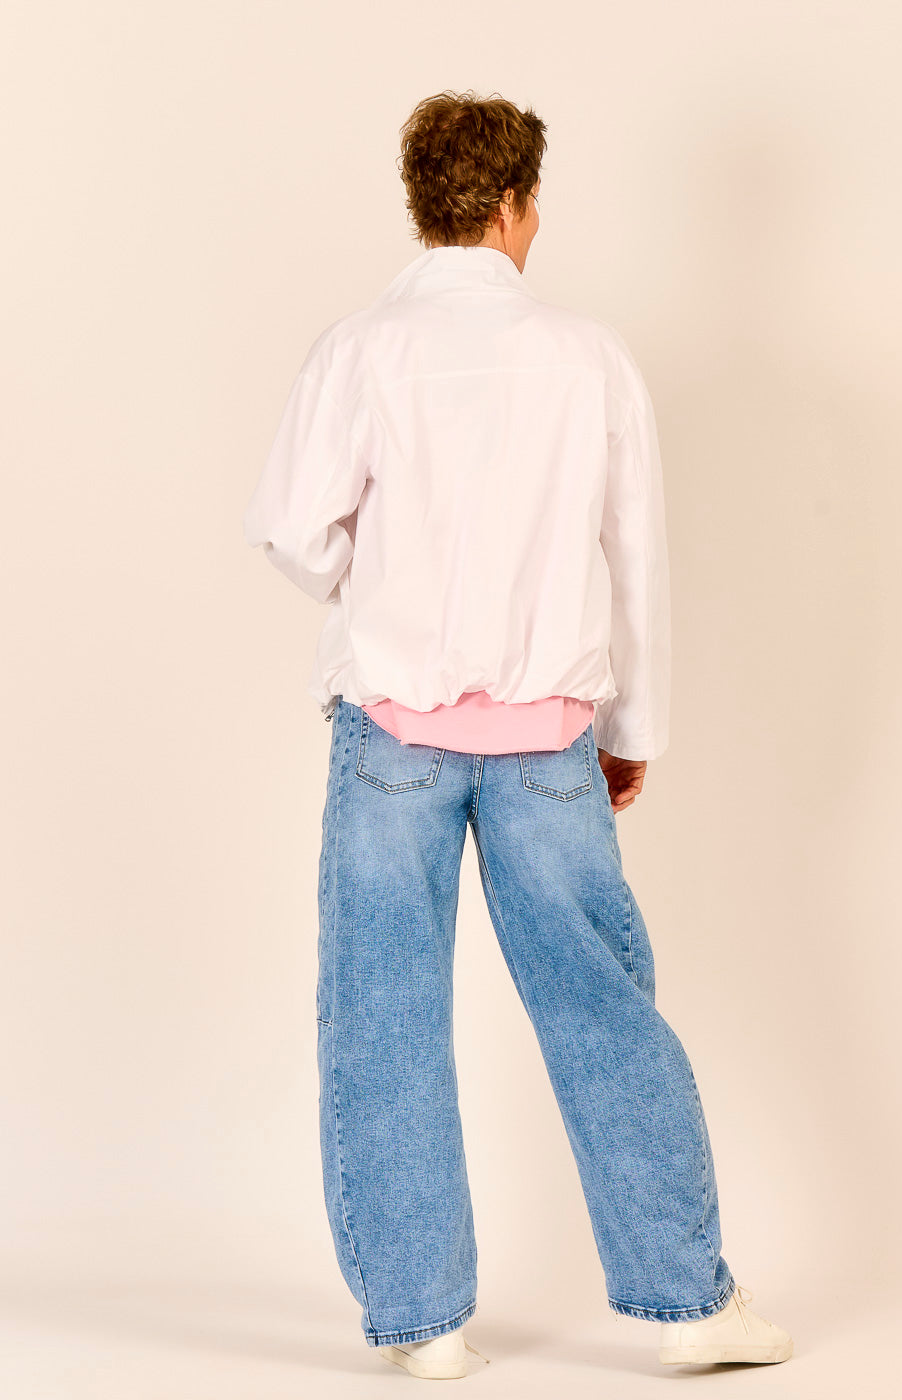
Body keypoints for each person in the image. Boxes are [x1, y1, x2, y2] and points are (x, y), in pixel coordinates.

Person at [243, 88, 793, 1381]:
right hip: (550, 740)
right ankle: (685, 1303)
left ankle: (423, 1322)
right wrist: (633, 726)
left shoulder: (359, 349)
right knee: (602, 1007)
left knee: (384, 1015)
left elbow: (289, 528)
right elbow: (636, 558)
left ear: (423, 203)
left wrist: (381, 583)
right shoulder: (587, 357)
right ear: (511, 203)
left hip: (392, 732)